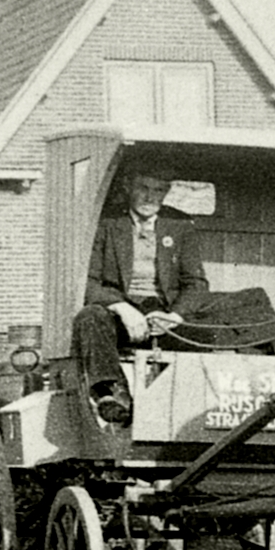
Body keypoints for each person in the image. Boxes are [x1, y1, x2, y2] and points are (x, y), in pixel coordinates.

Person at [72, 166, 209, 425]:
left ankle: (195, 411)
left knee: (208, 331)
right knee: (90, 318)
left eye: (158, 190)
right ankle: (111, 394)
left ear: (166, 192)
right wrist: (121, 308)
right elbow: (86, 281)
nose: (150, 197)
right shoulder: (107, 222)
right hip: (120, 311)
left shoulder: (180, 225)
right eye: (143, 188)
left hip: (163, 312)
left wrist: (174, 317)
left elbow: (196, 284)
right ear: (128, 187)